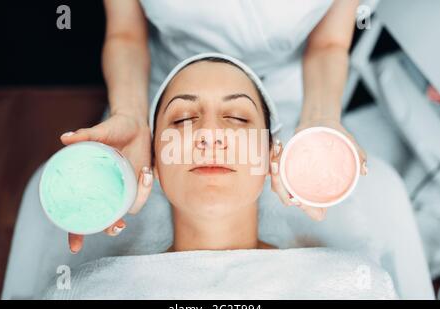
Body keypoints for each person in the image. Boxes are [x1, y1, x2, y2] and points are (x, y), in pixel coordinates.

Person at [62, 0, 367, 253]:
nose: (210, 135)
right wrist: (130, 114)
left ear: (270, 153)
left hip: (293, 90)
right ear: (153, 157)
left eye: (237, 118)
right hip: (152, 87)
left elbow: (329, 44)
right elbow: (125, 33)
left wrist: (319, 120)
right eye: (183, 120)